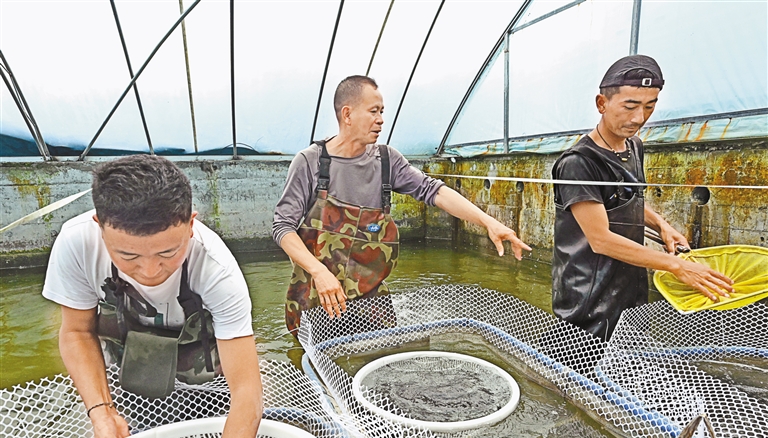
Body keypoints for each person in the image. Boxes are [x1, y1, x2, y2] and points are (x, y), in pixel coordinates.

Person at [43, 155, 262, 438]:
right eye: (128, 256)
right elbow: (77, 332)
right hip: (130, 371)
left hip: (209, 379)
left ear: (191, 225)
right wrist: (101, 411)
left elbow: (247, 391)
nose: (149, 270)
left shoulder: (218, 269)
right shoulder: (76, 242)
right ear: (99, 226)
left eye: (168, 252)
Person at [273, 75, 531, 337]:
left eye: (382, 112)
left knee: (383, 356)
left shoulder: (387, 161)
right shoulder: (310, 162)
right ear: (347, 114)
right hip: (318, 297)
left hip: (371, 303)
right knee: (314, 359)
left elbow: (434, 191)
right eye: (373, 111)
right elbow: (283, 227)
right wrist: (318, 271)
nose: (381, 120)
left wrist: (488, 222)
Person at [551, 55, 733, 346]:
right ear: (602, 103)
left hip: (629, 284)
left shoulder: (634, 145)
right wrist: (677, 266)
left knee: (626, 354)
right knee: (578, 363)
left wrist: (662, 225)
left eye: (650, 106)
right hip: (587, 295)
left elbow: (627, 198)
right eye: (630, 106)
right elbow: (601, 240)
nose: (639, 118)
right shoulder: (578, 163)